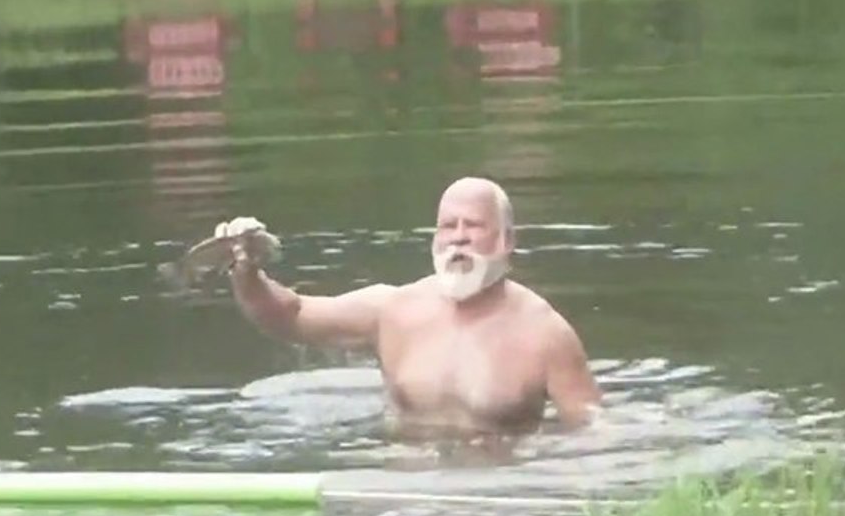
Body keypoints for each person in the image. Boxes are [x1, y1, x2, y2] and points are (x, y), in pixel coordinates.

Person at [215, 176, 602, 434]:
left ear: (507, 239)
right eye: (449, 226)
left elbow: (591, 434)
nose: (459, 239)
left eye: (474, 226)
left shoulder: (545, 333)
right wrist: (246, 271)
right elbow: (291, 315)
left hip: (500, 506)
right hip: (406, 504)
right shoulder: (393, 310)